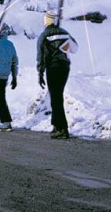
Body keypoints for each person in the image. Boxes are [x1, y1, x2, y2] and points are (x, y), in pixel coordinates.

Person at [36, 10, 74, 139]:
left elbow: (40, 56)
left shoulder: (44, 35)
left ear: (46, 21)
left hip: (53, 68)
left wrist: (40, 73)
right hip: (65, 67)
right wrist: (63, 47)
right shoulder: (64, 32)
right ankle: (56, 125)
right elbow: (75, 48)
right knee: (58, 95)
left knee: (55, 97)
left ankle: (62, 128)